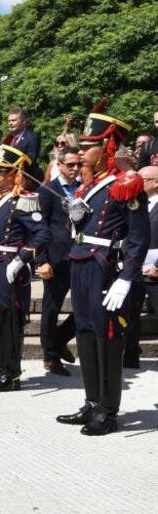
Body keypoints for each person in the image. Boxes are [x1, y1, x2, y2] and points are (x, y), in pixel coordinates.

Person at [56, 105, 149, 435]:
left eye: (87, 146)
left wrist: (127, 278)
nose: (81, 152)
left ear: (108, 147)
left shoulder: (127, 183)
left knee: (107, 337)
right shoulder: (86, 186)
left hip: (105, 267)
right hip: (81, 262)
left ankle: (109, 410)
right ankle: (92, 401)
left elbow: (138, 237)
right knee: (84, 333)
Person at [0, 145, 49, 392]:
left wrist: (22, 259)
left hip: (9, 265)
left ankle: (11, 372)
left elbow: (41, 234)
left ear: (11, 174)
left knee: (10, 319)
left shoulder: (24, 200)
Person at [37, 147, 81, 376]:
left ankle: (59, 338)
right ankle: (50, 356)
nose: (75, 169)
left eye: (78, 165)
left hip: (82, 254)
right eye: (71, 165)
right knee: (51, 307)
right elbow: (40, 227)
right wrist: (42, 260)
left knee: (86, 305)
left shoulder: (84, 188)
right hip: (57, 257)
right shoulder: (48, 190)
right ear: (60, 165)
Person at [125, 165, 158, 367]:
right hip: (134, 268)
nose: (137, 182)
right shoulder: (134, 204)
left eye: (142, 179)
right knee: (129, 315)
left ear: (156, 182)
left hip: (155, 270)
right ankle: (130, 357)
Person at [4, 108, 42, 180]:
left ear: (24, 121)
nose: (10, 123)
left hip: (26, 178)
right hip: (8, 177)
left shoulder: (32, 138)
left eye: (13, 120)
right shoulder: (7, 138)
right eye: (9, 121)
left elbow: (31, 160)